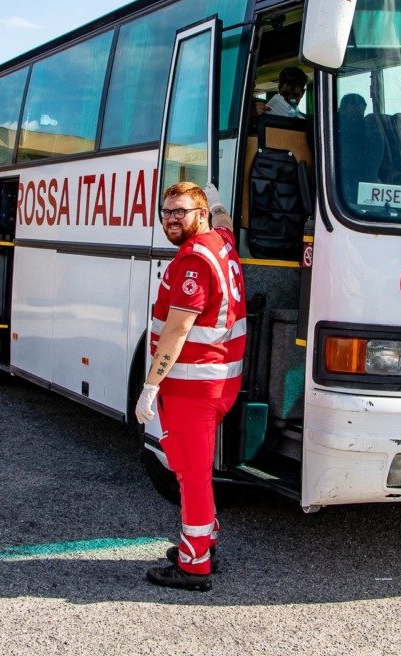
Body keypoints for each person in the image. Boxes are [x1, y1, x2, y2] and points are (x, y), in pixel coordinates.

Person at [135, 182, 245, 592]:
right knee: (193, 469)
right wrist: (216, 202)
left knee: (191, 474)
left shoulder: (193, 260)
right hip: (217, 382)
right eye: (166, 212)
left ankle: (194, 564)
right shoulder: (223, 242)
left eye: (180, 211)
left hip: (192, 385)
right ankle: (203, 540)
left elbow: (177, 330)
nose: (171, 219)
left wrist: (150, 386)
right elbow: (225, 221)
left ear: (198, 215)